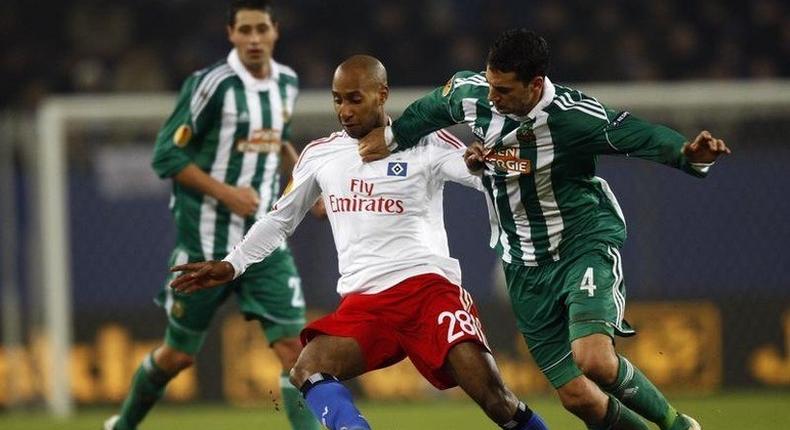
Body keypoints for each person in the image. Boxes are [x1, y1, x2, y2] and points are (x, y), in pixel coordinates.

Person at [357, 29, 731, 430]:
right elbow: (428, 111)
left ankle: (678, 425)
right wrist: (392, 140)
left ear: (535, 85)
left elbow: (639, 134)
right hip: (523, 264)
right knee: (577, 397)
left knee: (594, 360)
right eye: (489, 84)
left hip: (581, 245)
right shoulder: (472, 92)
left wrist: (687, 154)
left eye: (503, 89)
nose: (493, 96)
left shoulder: (574, 117)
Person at [170, 55, 549, 430]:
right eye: (338, 99)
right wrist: (232, 263)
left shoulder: (424, 143)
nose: (345, 110)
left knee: (495, 399)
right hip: (365, 305)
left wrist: (481, 162)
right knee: (308, 368)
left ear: (381, 94)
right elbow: (280, 220)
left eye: (355, 99)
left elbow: (478, 173)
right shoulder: (321, 155)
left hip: (428, 293)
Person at [104, 1, 320, 429]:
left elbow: (279, 141)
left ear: (275, 31)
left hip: (262, 244)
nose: (254, 39)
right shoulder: (211, 85)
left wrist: (305, 188)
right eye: (245, 31)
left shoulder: (287, 83)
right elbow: (166, 154)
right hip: (204, 247)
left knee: (295, 353)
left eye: (262, 29)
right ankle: (122, 425)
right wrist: (226, 193)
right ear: (231, 34)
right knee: (178, 356)